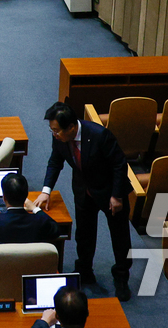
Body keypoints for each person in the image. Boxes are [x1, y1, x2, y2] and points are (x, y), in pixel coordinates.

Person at [37, 102, 133, 300]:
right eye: (52, 130)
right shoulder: (60, 137)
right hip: (83, 190)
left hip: (110, 192)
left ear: (72, 128)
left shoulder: (99, 135)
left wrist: (117, 195)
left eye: (56, 130)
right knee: (84, 233)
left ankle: (122, 278)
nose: (54, 134)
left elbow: (119, 165)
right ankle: (85, 271)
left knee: (120, 238)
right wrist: (46, 191)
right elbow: (55, 161)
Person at [0, 172, 64, 254]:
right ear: (26, 196)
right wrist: (35, 209)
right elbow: (56, 229)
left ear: (4, 198)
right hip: (30, 270)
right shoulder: (40, 221)